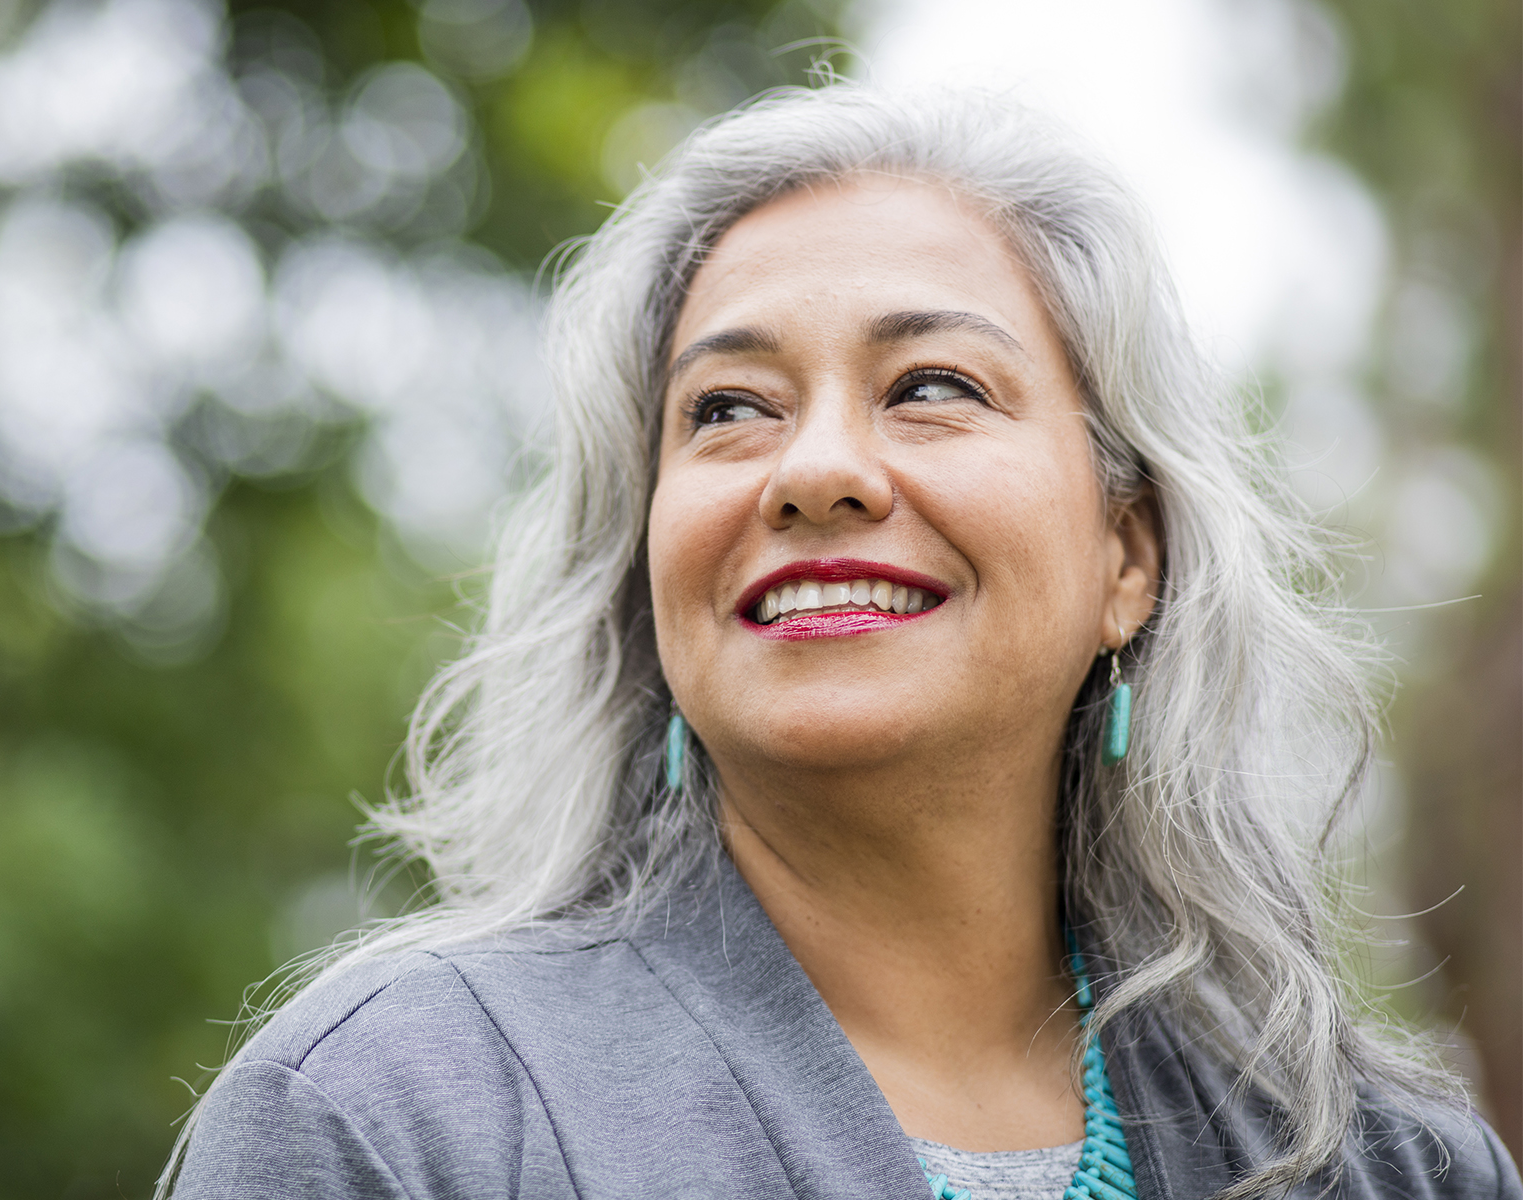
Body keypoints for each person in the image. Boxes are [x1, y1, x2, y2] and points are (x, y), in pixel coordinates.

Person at [165, 84, 1521, 1200]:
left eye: (931, 387)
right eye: (727, 409)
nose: (812, 471)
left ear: (1128, 554)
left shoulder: (1382, 1166)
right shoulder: (388, 1119)